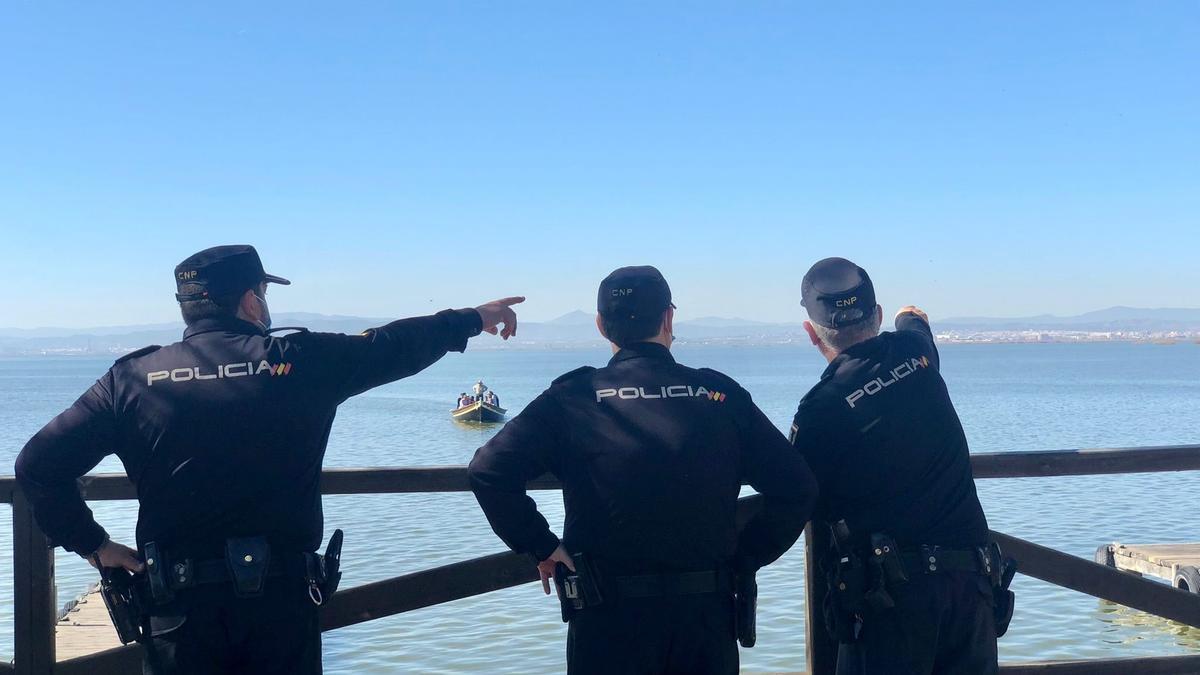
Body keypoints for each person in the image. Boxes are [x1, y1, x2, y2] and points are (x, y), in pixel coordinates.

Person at [14, 245, 523, 675]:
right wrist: (473, 318)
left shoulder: (130, 379)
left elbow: (38, 466)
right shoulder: (300, 359)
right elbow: (394, 345)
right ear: (251, 300)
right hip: (283, 603)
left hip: (178, 609)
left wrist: (94, 544)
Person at [469, 265, 818, 675]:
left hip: (606, 620)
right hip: (705, 617)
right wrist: (746, 557)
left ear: (601, 326)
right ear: (668, 318)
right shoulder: (718, 394)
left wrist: (540, 544)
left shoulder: (574, 397)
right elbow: (798, 488)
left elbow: (488, 471)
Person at [789, 257, 1005, 675]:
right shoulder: (915, 353)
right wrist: (908, 314)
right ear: (878, 315)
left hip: (889, 602)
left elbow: (795, 494)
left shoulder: (820, 410)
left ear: (811, 333)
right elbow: (915, 320)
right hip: (971, 589)